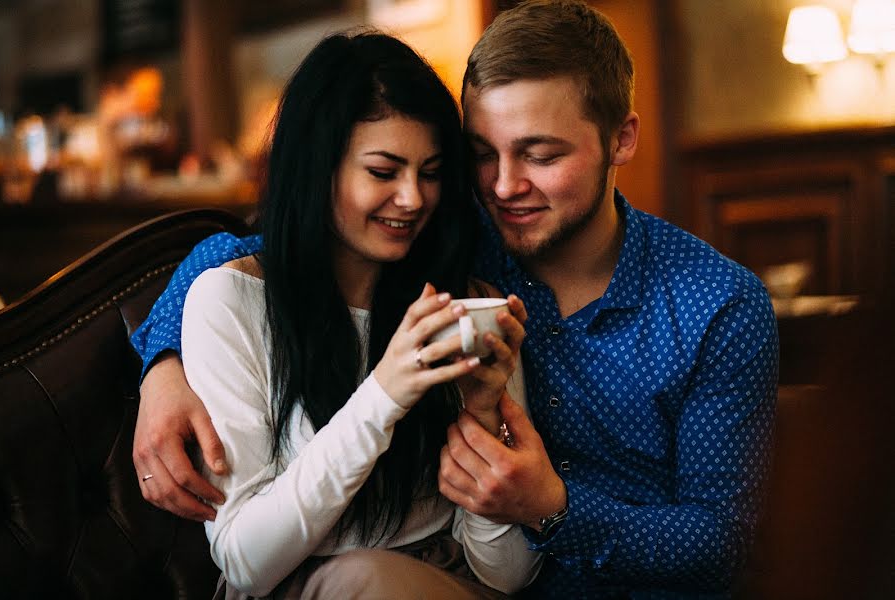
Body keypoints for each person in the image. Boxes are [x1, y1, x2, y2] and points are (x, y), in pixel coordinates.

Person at [132, 2, 778, 598]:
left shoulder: (716, 304)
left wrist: (551, 507)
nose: (504, 185)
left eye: (540, 154)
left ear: (622, 139)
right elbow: (255, 252)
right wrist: (161, 367)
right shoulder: (454, 242)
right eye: (479, 156)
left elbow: (724, 543)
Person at [136, 30, 542, 599]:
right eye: (383, 171)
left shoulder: (463, 300)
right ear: (317, 168)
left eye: (430, 173)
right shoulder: (228, 299)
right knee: (367, 582)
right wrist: (384, 395)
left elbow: (507, 574)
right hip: (304, 584)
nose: (413, 198)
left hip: (445, 582)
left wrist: (480, 416)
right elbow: (245, 561)